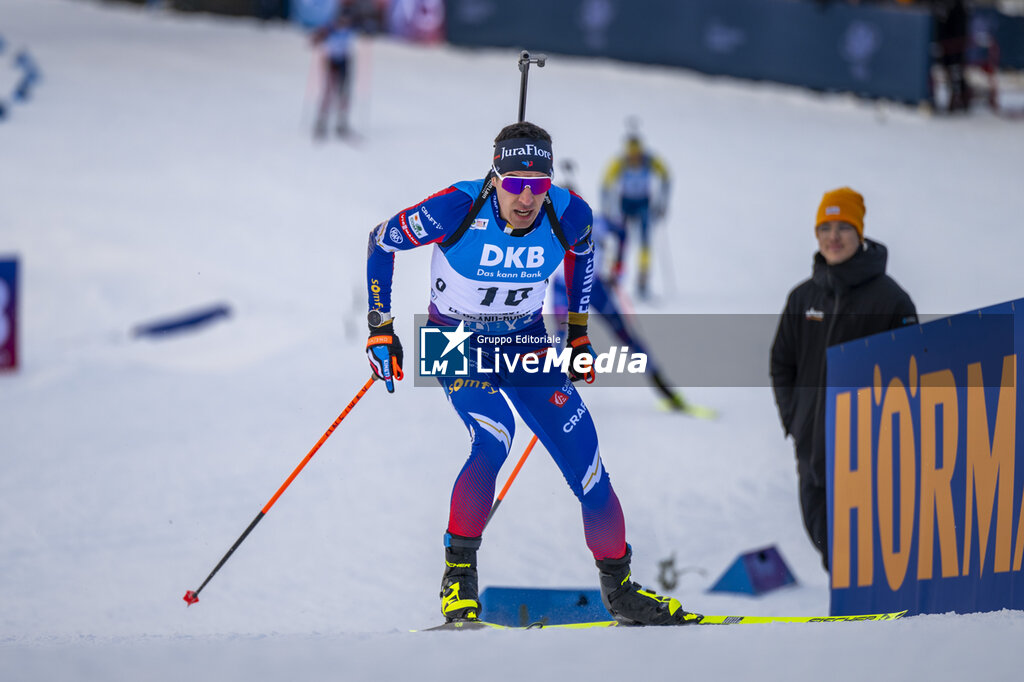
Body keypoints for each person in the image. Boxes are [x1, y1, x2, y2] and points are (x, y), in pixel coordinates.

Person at [364, 121, 702, 626]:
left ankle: (620, 589)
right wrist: (380, 328)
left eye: (538, 184)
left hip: (526, 342)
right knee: (495, 437)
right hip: (453, 339)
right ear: (494, 176)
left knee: (589, 467)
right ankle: (459, 579)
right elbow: (383, 241)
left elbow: (584, 258)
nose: (526, 197)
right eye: (515, 183)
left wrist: (580, 334)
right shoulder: (456, 206)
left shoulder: (569, 213)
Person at [770, 187, 917, 571]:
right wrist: (796, 421)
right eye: (825, 227)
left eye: (843, 227)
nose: (833, 236)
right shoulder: (802, 298)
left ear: (860, 233)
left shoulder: (891, 301)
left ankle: (866, 626)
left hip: (868, 460)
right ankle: (851, 626)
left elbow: (911, 377)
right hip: (813, 454)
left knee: (863, 559)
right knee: (830, 550)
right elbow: (781, 362)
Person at [599, 132, 671, 298]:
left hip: (643, 204)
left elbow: (667, 177)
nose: (634, 158)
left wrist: (662, 203)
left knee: (645, 241)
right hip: (626, 204)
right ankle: (615, 278)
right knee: (620, 242)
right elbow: (605, 183)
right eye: (631, 154)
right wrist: (607, 210)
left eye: (637, 154)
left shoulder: (650, 160)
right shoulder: (620, 162)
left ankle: (642, 282)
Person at [310, 1, 357, 140]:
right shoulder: (330, 28)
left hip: (345, 62)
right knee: (329, 92)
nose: (344, 22)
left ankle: (341, 124)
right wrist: (318, 38)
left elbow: (368, 28)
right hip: (332, 62)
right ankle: (321, 122)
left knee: (344, 94)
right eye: (342, 19)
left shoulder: (351, 27)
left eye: (347, 20)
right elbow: (314, 39)